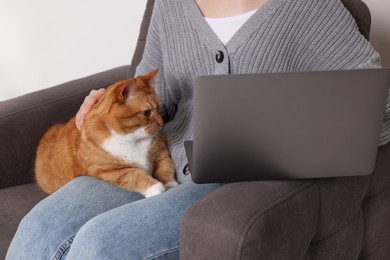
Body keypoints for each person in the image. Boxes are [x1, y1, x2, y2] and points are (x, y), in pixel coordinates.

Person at [7, 0, 390, 259]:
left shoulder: (311, 8)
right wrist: (108, 102)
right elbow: (153, 91)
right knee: (40, 226)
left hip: (238, 182)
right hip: (159, 161)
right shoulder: (171, 5)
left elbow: (376, 104)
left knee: (100, 246)